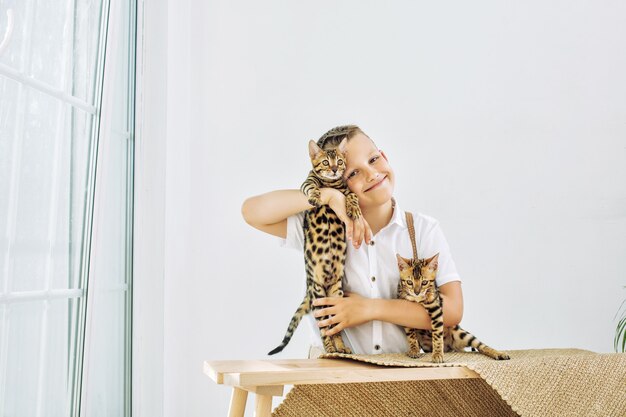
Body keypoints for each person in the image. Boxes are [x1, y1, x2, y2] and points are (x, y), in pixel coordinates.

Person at [241, 125, 463, 356]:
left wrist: (369, 309)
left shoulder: (422, 229)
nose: (371, 174)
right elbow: (252, 212)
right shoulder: (321, 228)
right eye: (353, 173)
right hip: (335, 371)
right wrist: (328, 196)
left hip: (405, 371)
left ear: (384, 156)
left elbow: (453, 310)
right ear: (337, 180)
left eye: (374, 159)